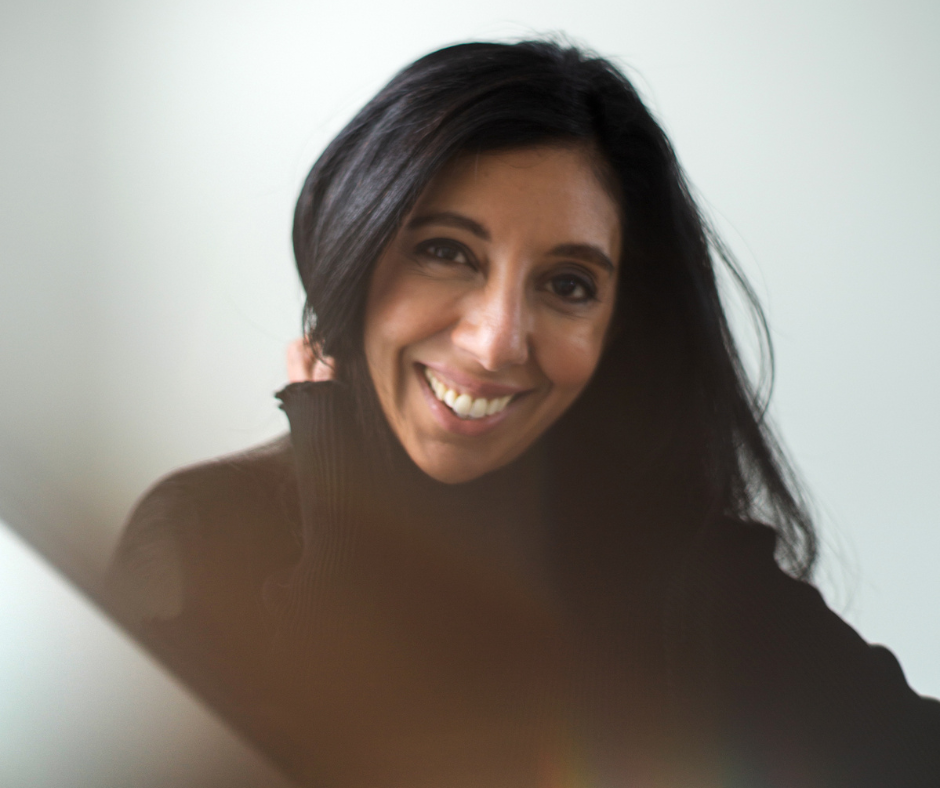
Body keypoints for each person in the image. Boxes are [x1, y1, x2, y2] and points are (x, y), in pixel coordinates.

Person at [105, 40, 940, 787]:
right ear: (352, 251)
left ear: (618, 326)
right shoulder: (202, 537)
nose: (498, 342)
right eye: (447, 252)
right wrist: (340, 556)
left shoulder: (688, 573)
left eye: (568, 285)